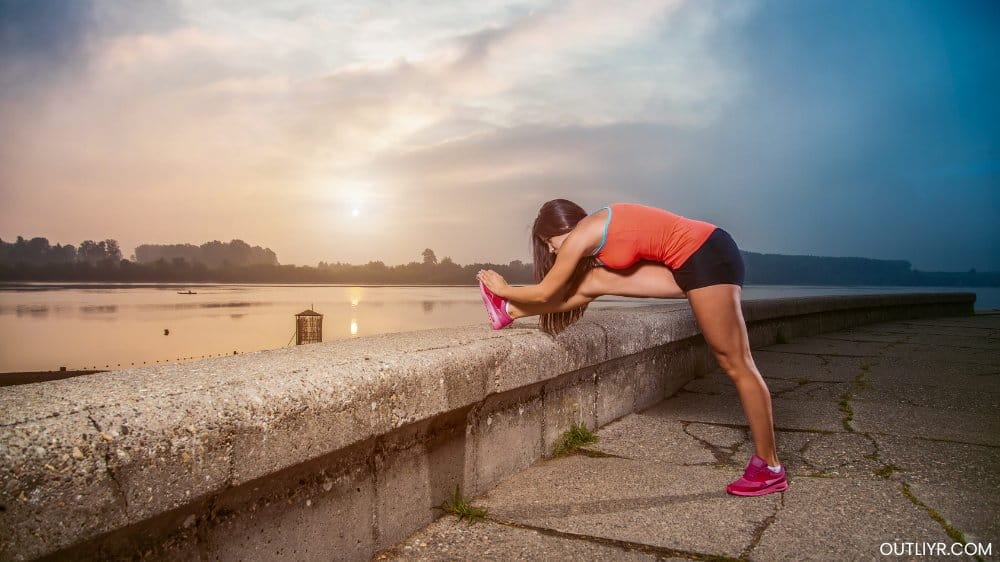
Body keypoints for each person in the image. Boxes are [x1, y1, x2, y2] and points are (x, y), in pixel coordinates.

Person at [475, 199, 787, 496]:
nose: (550, 248)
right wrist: (512, 300)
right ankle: (509, 311)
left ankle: (770, 467)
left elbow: (546, 292)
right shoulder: (593, 232)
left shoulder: (581, 236)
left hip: (706, 254)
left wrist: (503, 287)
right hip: (695, 258)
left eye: (548, 241)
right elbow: (581, 287)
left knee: (735, 362)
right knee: (594, 282)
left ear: (564, 228)